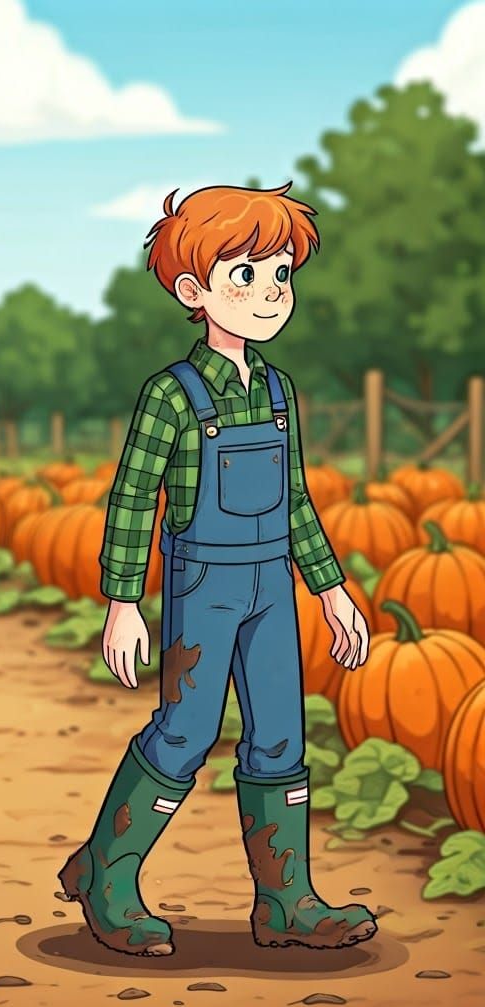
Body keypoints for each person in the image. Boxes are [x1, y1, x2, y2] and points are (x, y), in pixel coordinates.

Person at [60, 183, 375, 956]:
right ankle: (107, 870)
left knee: (280, 737)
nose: (270, 293)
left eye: (281, 275)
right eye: (247, 275)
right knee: (186, 731)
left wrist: (331, 590)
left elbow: (297, 497)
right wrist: (123, 601)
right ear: (193, 291)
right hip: (205, 589)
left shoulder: (276, 392)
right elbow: (135, 495)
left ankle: (287, 900)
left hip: (273, 588)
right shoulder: (173, 394)